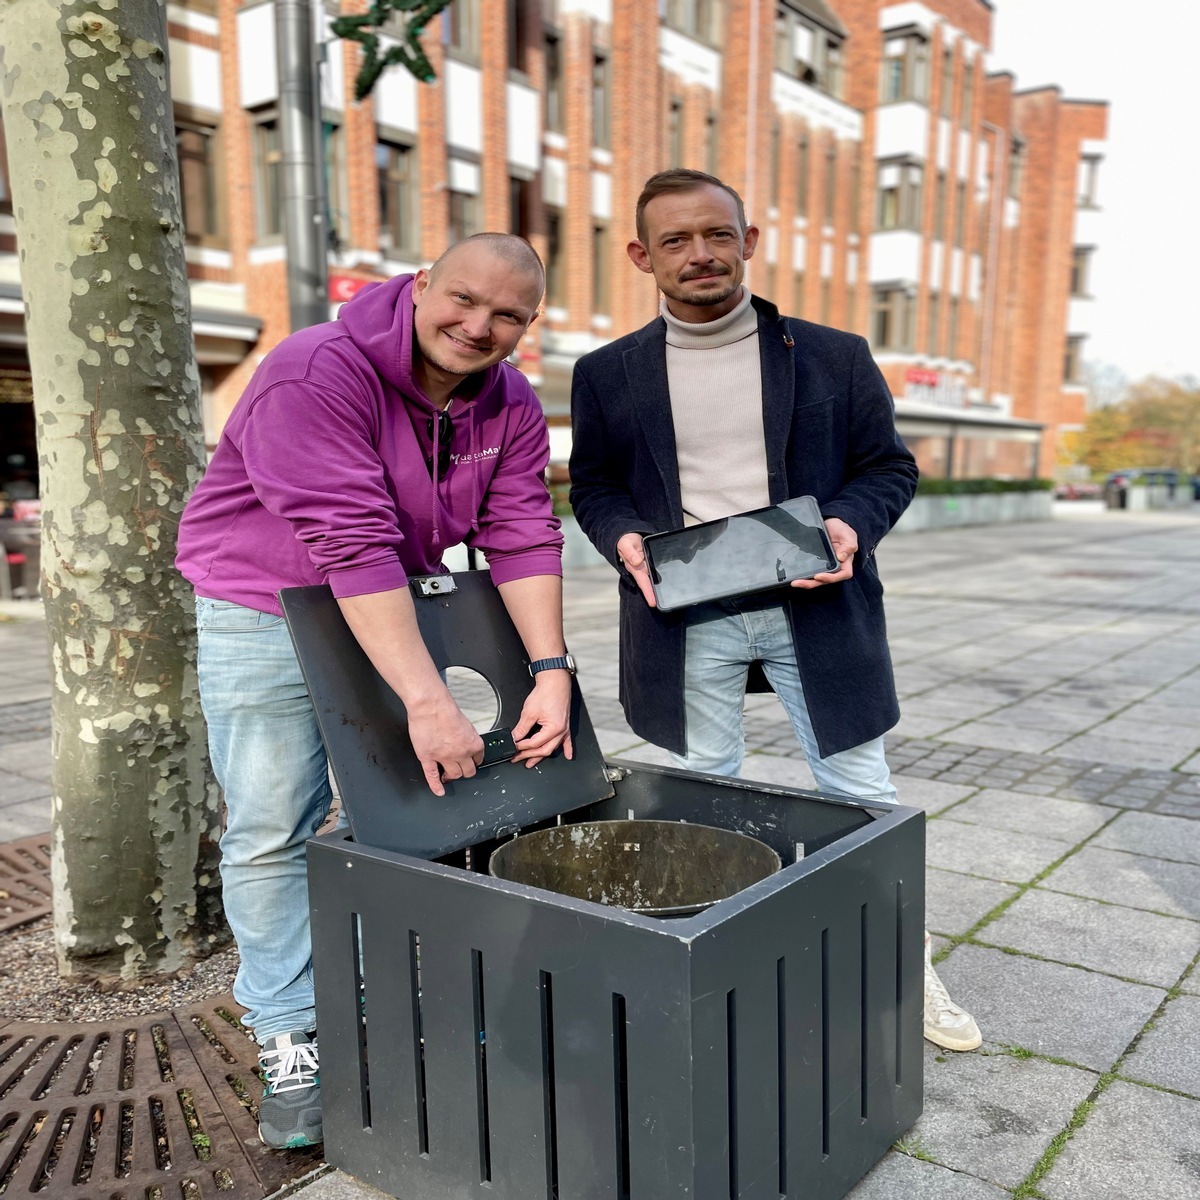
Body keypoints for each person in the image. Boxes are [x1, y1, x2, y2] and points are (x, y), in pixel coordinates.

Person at [177, 233, 576, 1149]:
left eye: (507, 315)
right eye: (463, 299)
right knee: (274, 822)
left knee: (408, 809)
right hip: (266, 606)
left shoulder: (507, 400)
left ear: (529, 325)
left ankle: (385, 989)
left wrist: (552, 671)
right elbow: (349, 543)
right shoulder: (314, 372)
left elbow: (521, 526)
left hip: (397, 602)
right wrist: (428, 699)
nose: (479, 326)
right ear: (421, 283)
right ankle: (287, 1028)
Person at [568, 169, 981, 1054]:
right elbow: (595, 485)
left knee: (862, 795)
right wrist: (625, 538)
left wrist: (847, 527)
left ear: (750, 240)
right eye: (676, 240)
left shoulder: (835, 353)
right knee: (701, 802)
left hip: (819, 611)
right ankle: (715, 974)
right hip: (682, 615)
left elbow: (888, 469)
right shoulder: (606, 374)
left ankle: (902, 966)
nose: (701, 253)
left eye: (719, 234)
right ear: (643, 256)